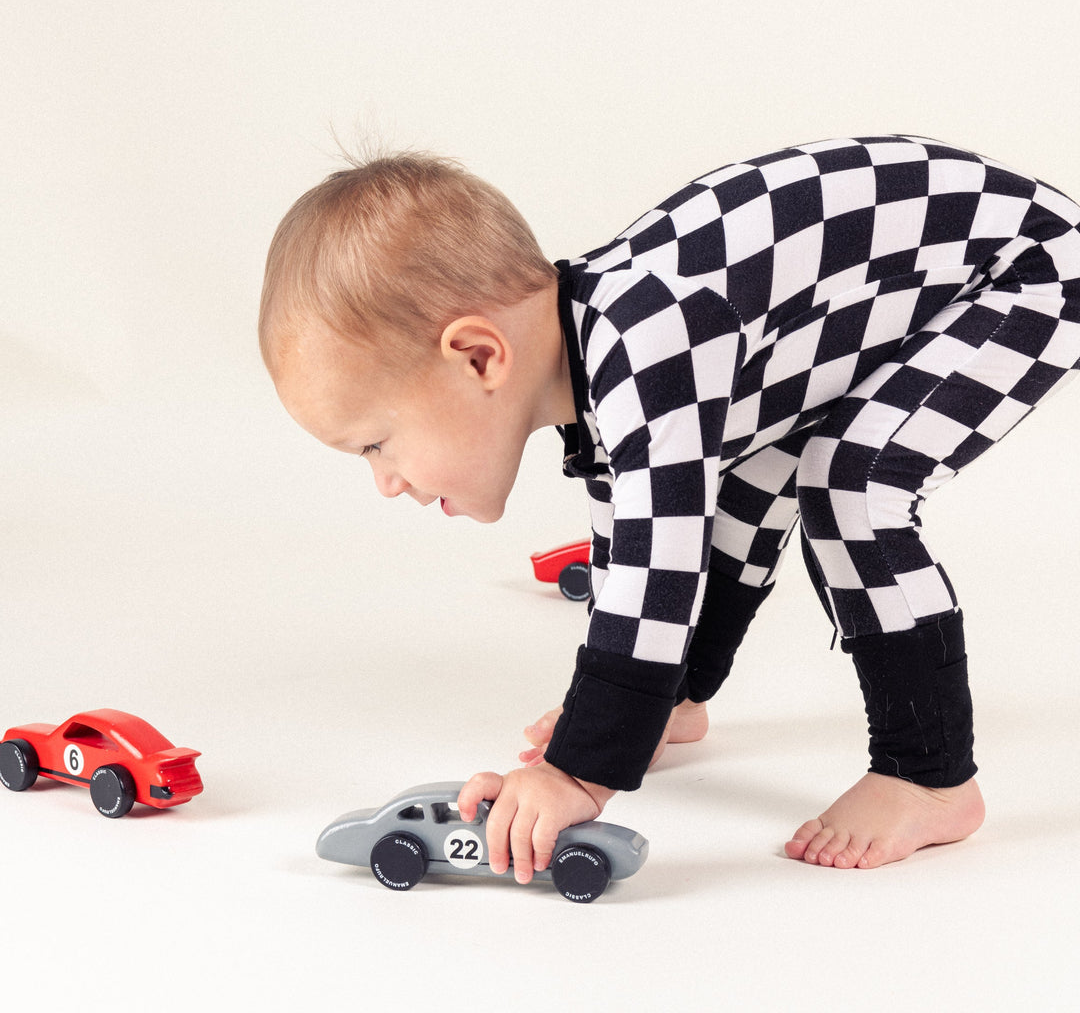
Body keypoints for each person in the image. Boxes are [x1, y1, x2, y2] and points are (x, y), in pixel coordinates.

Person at [259, 135, 1080, 880]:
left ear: (478, 356)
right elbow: (646, 534)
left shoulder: (648, 350)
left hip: (1026, 270)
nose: (386, 481)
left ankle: (930, 775)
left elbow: (661, 566)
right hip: (882, 301)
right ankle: (683, 700)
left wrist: (579, 770)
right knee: (755, 480)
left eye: (375, 443)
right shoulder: (602, 356)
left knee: (849, 485)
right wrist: (642, 709)